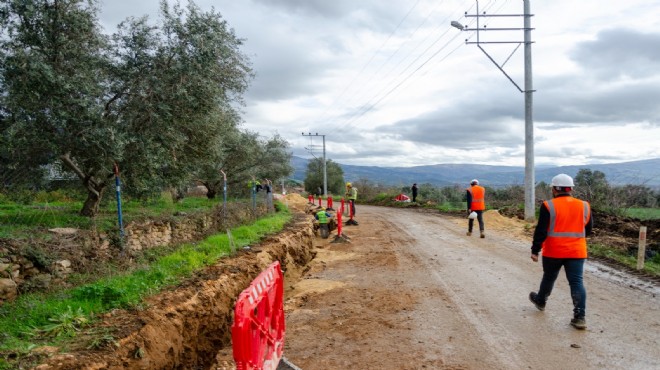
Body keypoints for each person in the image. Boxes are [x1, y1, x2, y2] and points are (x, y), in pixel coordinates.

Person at [529, 173, 593, 330]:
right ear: (571, 188)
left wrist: (535, 250)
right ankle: (580, 317)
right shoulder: (584, 205)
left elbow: (541, 230)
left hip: (553, 251)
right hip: (577, 252)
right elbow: (589, 230)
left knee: (549, 277)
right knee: (576, 282)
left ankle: (541, 301)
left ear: (554, 189)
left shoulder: (548, 205)